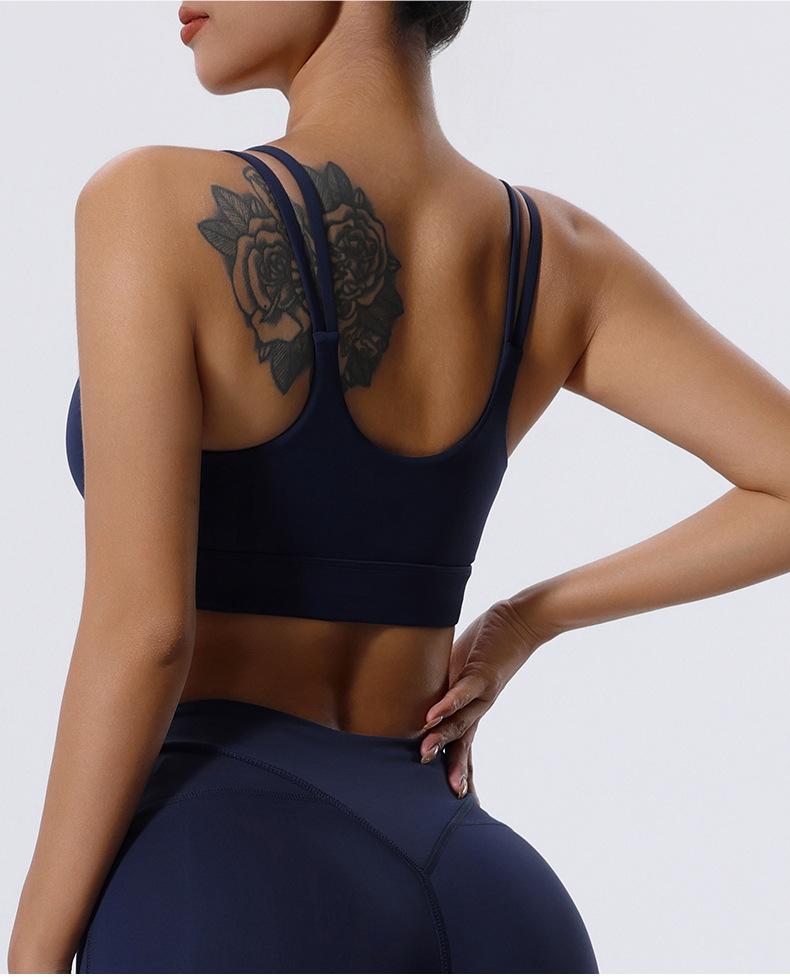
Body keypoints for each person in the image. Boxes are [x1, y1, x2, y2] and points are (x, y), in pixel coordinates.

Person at [8, 1, 790, 973]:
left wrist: (32, 953)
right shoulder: (556, 255)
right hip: (494, 900)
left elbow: (146, 632)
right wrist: (525, 619)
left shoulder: (153, 204)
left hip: (234, 883)